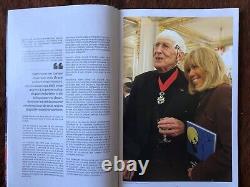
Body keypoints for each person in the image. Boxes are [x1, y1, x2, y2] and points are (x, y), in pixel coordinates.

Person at [123, 30, 198, 181]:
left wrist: (185, 127)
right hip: (141, 162)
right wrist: (126, 158)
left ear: (180, 55)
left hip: (175, 166)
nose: (158, 50)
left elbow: (201, 122)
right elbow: (128, 122)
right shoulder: (141, 82)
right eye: (156, 45)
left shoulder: (191, 84)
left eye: (165, 46)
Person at [184, 47, 232, 181]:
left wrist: (199, 171)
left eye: (195, 67)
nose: (191, 74)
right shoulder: (205, 96)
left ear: (210, 66)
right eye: (188, 70)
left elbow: (233, 149)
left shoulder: (224, 93)